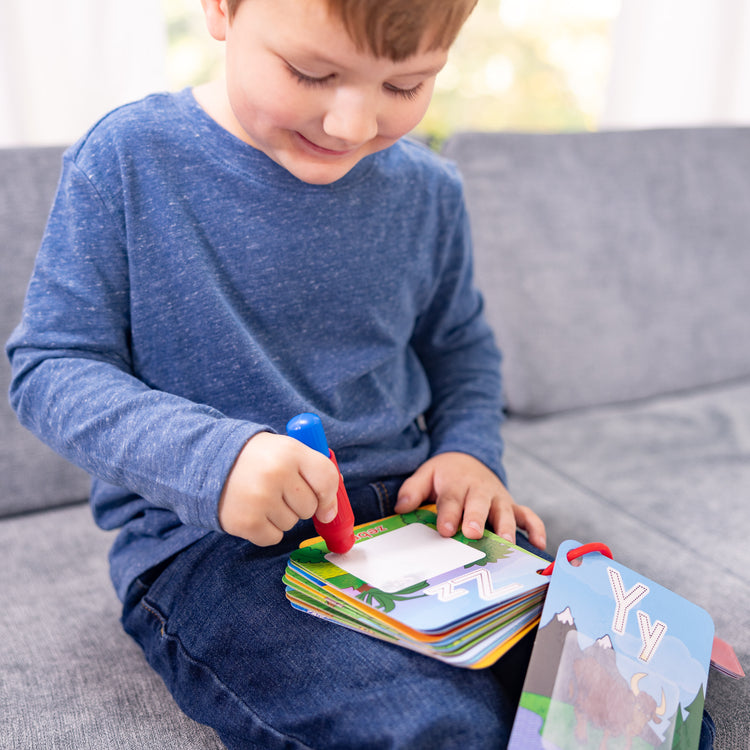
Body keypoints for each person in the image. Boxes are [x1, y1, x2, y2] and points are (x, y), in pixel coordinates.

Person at [7, 0, 549, 747]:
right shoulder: (130, 158)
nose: (354, 126)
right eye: (311, 73)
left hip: (420, 519)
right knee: (423, 729)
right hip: (215, 546)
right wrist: (216, 461)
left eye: (405, 86)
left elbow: (459, 348)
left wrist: (467, 452)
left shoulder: (428, 191)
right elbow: (49, 366)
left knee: (630, 691)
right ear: (222, 9)